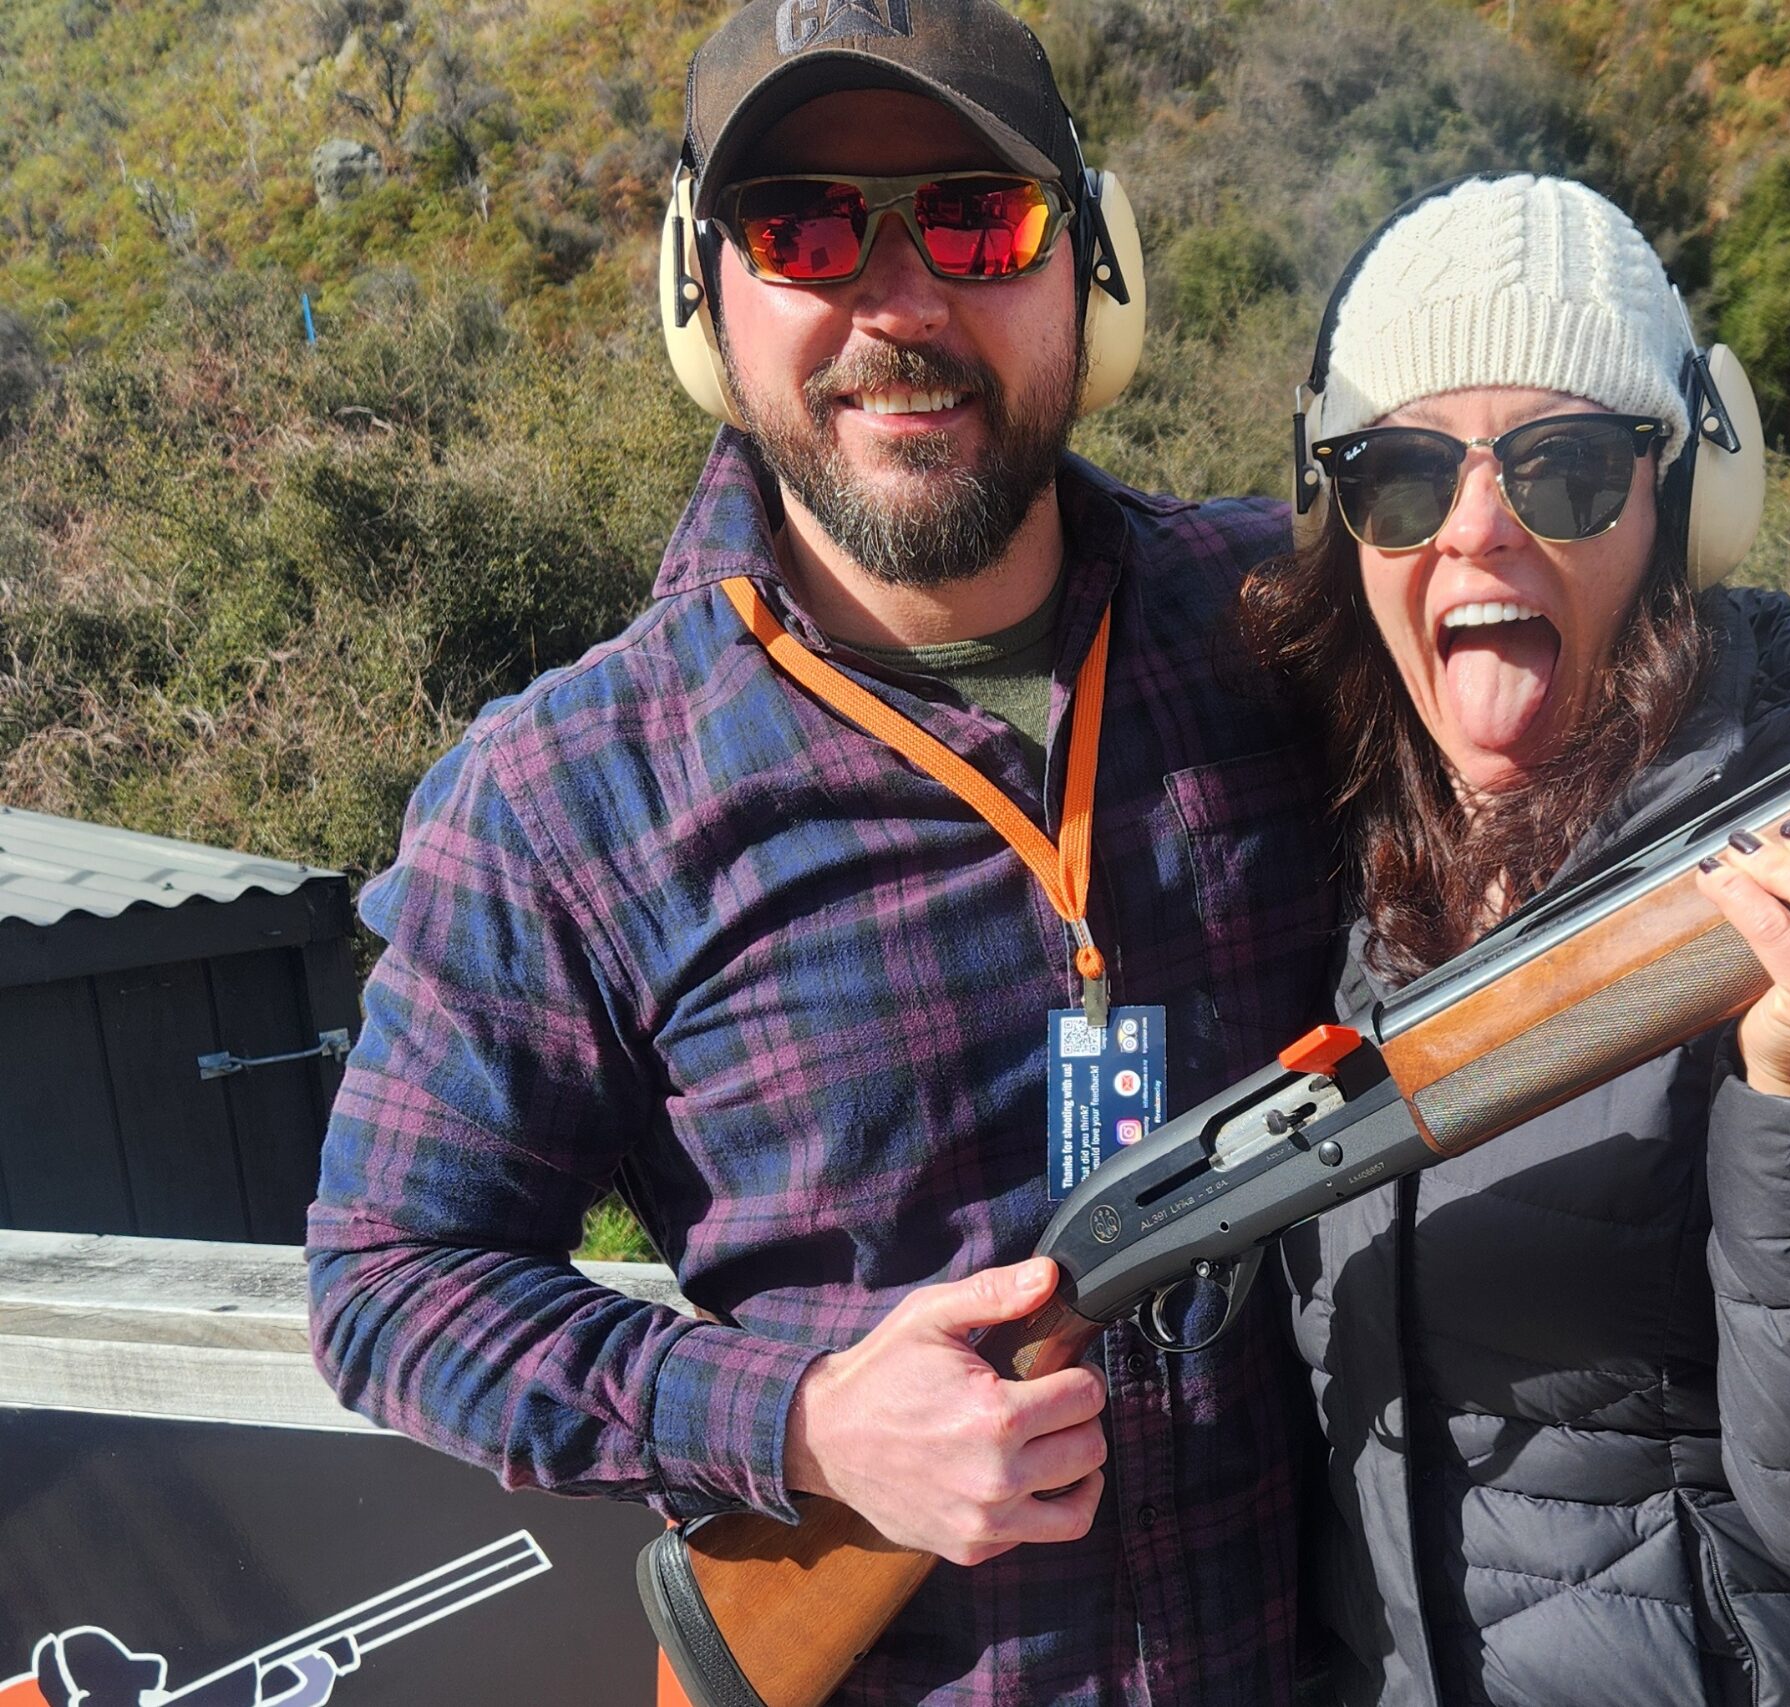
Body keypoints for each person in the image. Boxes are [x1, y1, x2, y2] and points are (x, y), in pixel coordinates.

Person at [304, 3, 1335, 1701]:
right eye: (801, 230)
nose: (901, 303)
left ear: (1094, 260)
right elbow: (389, 1284)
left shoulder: (1285, 629)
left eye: (977, 221)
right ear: (702, 294)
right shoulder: (563, 792)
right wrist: (797, 1425)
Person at [1245, 175, 1790, 1707]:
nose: (1476, 528)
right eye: (1399, 475)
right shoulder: (1321, 864)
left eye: (1565, 467)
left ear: (1679, 499)